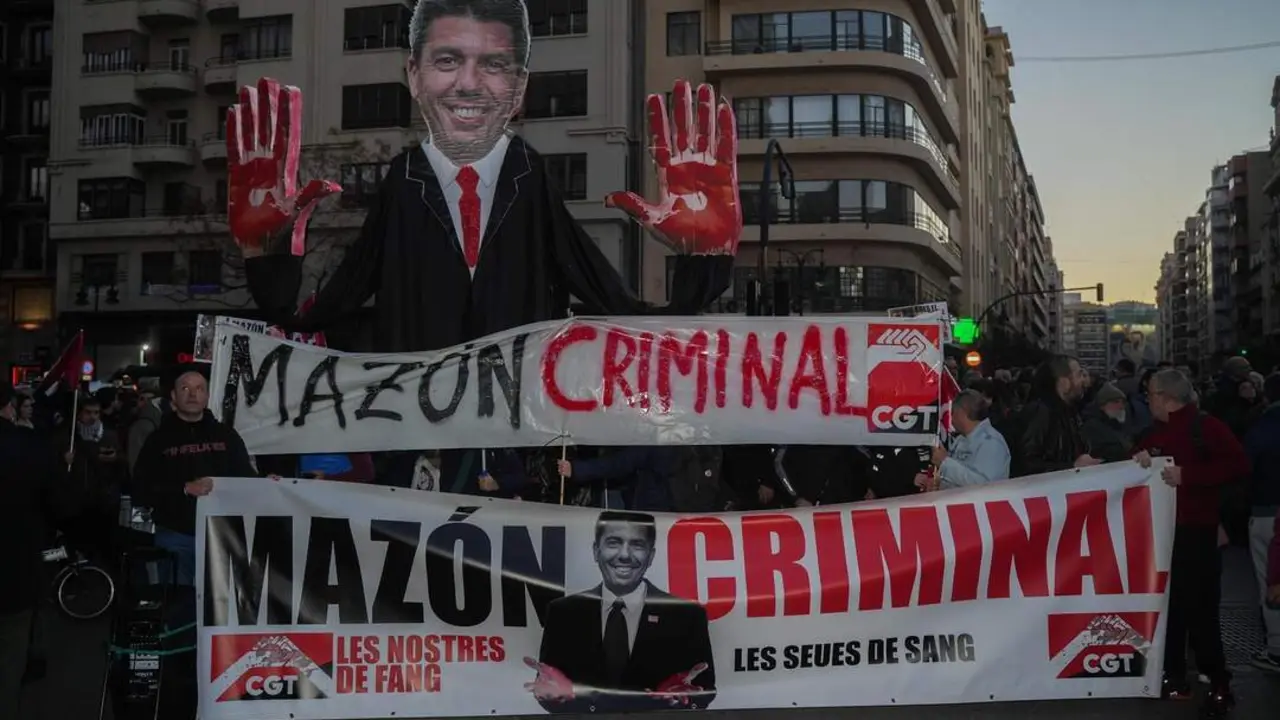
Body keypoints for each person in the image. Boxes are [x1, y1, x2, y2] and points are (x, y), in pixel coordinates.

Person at [1133, 369, 1249, 715]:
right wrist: (1139, 460)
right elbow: (1135, 461)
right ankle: (1175, 678)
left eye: (1151, 394)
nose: (1147, 401)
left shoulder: (1207, 427)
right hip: (1163, 534)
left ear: (1167, 397)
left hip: (1197, 533)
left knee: (1201, 613)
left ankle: (1218, 684)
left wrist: (1189, 476)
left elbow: (1239, 465)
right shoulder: (1153, 432)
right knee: (1171, 611)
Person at [526, 511, 714, 713]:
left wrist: (683, 700)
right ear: (596, 551)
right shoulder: (563, 613)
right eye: (613, 543)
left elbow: (704, 690)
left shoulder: (687, 615)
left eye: (637, 545)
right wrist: (558, 698)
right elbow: (549, 687)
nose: (624, 555)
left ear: (651, 556)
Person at [132, 370, 258, 592]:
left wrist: (269, 485)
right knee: (176, 601)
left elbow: (246, 479)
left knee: (218, 601)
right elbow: (141, 489)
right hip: (175, 535)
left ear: (207, 396)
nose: (192, 394)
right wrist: (183, 488)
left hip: (221, 535)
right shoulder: (157, 440)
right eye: (185, 388)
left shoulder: (227, 436)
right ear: (173, 396)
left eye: (199, 389)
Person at [1242, 373, 1280, 673]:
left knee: (1270, 580)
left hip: (1267, 511)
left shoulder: (1262, 428)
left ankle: (1277, 648)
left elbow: (1244, 469)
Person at [1012, 355, 1098, 477]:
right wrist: (1072, 467)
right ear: (1064, 382)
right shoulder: (1041, 412)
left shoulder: (1070, 412)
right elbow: (1026, 464)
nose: (1084, 381)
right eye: (1079, 375)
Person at [916, 390, 1009, 491]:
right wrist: (938, 484)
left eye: (953, 413)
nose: (951, 418)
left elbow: (985, 485)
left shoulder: (991, 442)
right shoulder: (961, 439)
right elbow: (959, 479)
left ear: (961, 412)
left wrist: (944, 463)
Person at [1080, 383, 1133, 463]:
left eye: (1123, 402)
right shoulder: (1092, 427)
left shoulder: (1120, 425)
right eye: (1116, 402)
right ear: (1102, 405)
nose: (1121, 406)